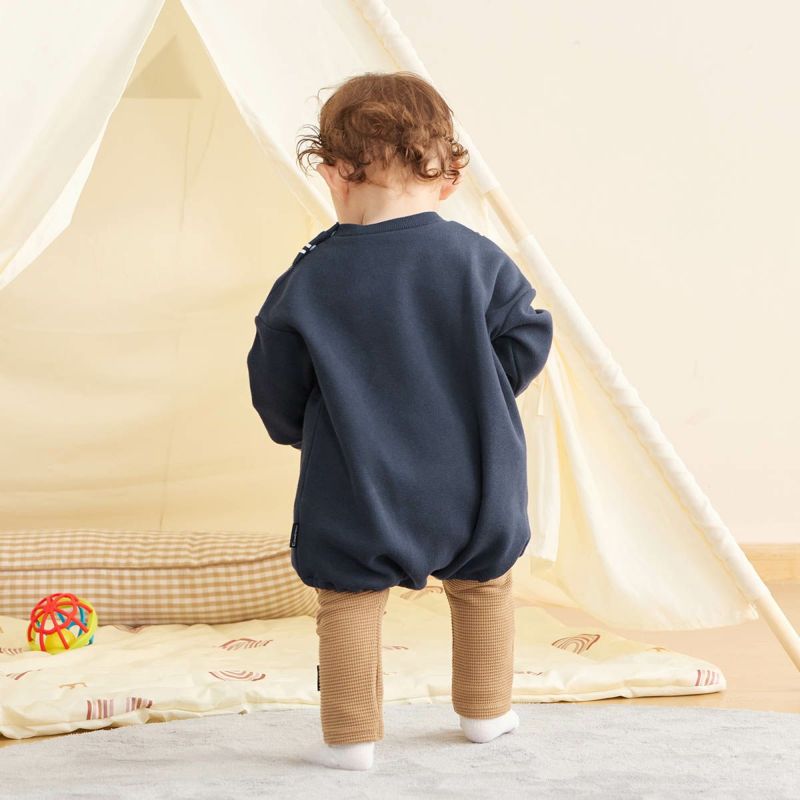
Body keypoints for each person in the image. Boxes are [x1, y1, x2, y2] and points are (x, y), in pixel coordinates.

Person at [247, 71, 554, 771]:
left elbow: (276, 375)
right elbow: (528, 333)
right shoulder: (478, 259)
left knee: (349, 601)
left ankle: (351, 739)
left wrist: (302, 429)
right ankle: (485, 714)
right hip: (476, 480)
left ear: (333, 173)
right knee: (484, 588)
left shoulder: (311, 275)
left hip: (357, 487)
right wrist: (477, 391)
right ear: (447, 178)